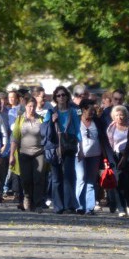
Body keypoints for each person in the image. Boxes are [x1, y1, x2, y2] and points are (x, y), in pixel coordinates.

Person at [42, 85, 80, 214]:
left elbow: (77, 129)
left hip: (69, 145)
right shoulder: (51, 112)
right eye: (58, 95)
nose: (61, 97)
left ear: (67, 97)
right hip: (54, 146)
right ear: (55, 98)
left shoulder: (73, 112)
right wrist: (52, 122)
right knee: (56, 177)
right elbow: (45, 130)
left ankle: (69, 205)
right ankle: (58, 206)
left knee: (69, 176)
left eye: (63, 95)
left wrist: (80, 146)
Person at [9, 97, 45, 213]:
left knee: (38, 178)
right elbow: (15, 138)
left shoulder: (41, 120)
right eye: (29, 106)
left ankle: (38, 203)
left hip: (39, 153)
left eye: (33, 106)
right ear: (25, 106)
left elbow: (45, 136)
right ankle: (27, 198)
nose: (32, 108)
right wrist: (12, 155)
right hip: (24, 153)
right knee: (26, 179)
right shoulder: (20, 120)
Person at [75, 99, 108, 215]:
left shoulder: (97, 122)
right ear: (83, 110)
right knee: (81, 178)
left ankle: (89, 207)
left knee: (91, 181)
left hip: (95, 155)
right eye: (90, 110)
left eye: (93, 110)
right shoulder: (77, 121)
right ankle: (79, 205)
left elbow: (103, 137)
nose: (92, 112)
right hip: (80, 155)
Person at [107, 104, 129, 217]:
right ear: (113, 116)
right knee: (118, 182)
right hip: (116, 156)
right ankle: (121, 208)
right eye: (117, 115)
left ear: (125, 115)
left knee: (128, 182)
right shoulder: (111, 128)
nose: (119, 117)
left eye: (121, 115)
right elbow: (110, 143)